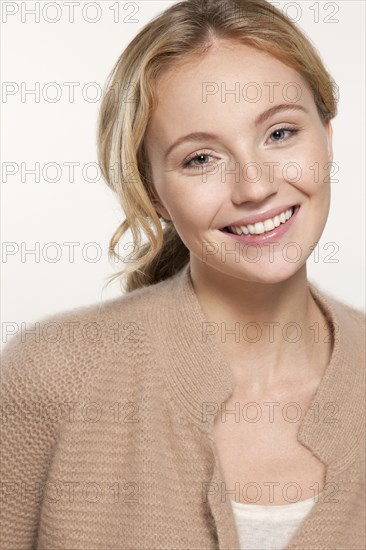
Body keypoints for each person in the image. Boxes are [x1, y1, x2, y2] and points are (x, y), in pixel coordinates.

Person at [1, 0, 364, 549]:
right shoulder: (48, 375)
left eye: (280, 133)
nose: (254, 186)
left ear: (328, 137)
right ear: (155, 196)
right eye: (200, 159)